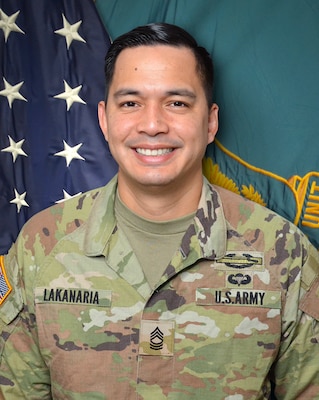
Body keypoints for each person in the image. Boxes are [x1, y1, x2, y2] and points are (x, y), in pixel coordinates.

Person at [0, 22, 319, 400]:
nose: (152, 125)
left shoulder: (284, 252)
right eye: (131, 103)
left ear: (211, 121)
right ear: (104, 118)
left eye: (177, 103)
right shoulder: (40, 245)